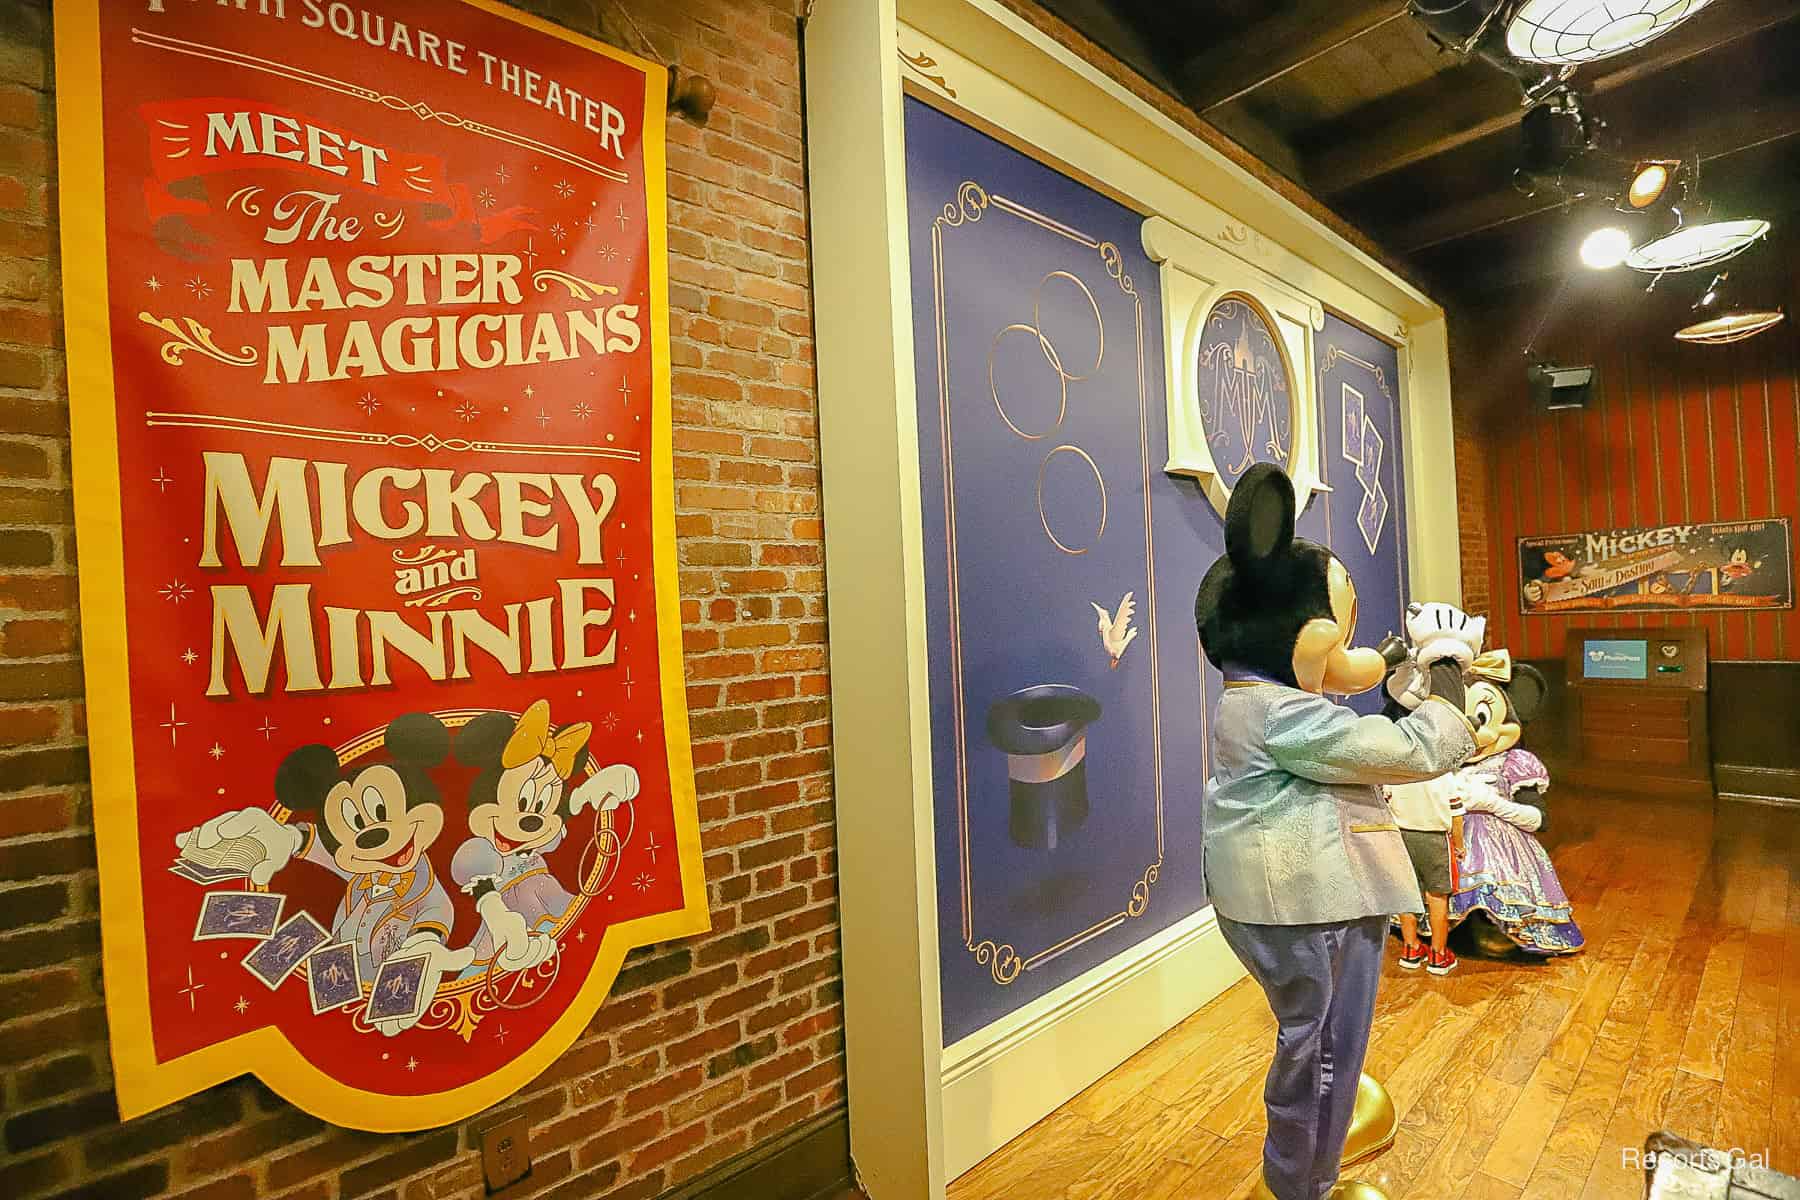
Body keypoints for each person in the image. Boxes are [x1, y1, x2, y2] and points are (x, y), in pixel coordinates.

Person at [1195, 464, 1476, 1200]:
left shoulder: (1256, 701)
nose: (1360, 657)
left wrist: (1387, 658)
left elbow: (1351, 683)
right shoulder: (1285, 717)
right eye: (1344, 636)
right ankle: (1301, 1184)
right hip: (1310, 905)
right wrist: (1449, 672)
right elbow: (1414, 752)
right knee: (1322, 1052)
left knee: (1322, 1046)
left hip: (1304, 901)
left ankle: (1309, 1173)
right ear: (1307, 636)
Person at [1384, 774, 1464, 974]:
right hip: (1434, 838)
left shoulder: (1397, 770)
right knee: (1437, 895)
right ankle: (1438, 954)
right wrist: (1459, 845)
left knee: (1407, 892)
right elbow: (1456, 814)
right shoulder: (1443, 774)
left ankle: (1411, 949)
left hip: (1401, 835)